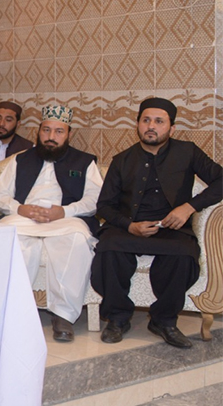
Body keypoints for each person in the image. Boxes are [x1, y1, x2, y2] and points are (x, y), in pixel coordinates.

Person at [92, 97, 222, 348]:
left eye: (159, 121)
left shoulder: (188, 151)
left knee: (184, 254)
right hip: (129, 227)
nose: (151, 126)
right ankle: (118, 318)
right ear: (138, 125)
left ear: (171, 128)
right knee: (108, 249)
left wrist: (189, 207)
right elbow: (104, 206)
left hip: (171, 228)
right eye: (146, 120)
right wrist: (130, 226)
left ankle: (164, 320)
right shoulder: (122, 159)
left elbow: (220, 180)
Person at [0, 105, 102, 342]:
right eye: (46, 130)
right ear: (38, 131)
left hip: (67, 219)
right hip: (24, 217)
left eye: (58, 131)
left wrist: (63, 211)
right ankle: (12, 312)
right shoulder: (19, 160)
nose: (51, 137)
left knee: (75, 241)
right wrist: (19, 208)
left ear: (68, 134)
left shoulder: (85, 162)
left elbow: (94, 200)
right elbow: (0, 196)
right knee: (10, 238)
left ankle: (63, 315)